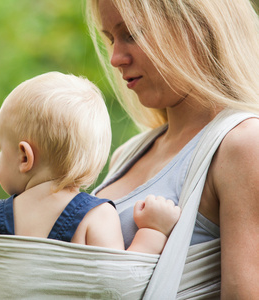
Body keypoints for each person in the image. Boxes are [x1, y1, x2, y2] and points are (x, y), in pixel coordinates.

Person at [86, 0, 259, 298]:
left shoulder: (243, 144)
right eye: (110, 39)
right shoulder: (125, 155)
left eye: (132, 34)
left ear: (197, 26)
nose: (115, 58)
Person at [0, 71, 181, 285]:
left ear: (25, 156)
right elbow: (122, 286)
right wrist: (153, 230)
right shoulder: (96, 217)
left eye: (0, 149)